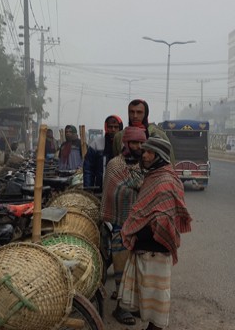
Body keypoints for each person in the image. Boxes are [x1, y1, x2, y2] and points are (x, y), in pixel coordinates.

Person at [117, 137, 192, 330]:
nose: (145, 155)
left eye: (150, 152)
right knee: (147, 296)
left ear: (161, 155)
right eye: (145, 151)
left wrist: (141, 229)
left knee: (156, 298)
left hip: (156, 249)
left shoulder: (166, 180)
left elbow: (165, 218)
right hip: (144, 247)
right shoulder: (153, 176)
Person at [102, 126, 147, 325]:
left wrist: (138, 186)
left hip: (139, 224)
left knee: (138, 268)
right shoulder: (115, 164)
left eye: (141, 143)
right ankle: (120, 308)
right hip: (119, 223)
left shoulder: (144, 165)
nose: (139, 147)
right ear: (126, 144)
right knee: (121, 267)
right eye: (135, 143)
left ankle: (132, 305)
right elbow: (114, 192)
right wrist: (137, 186)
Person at [112, 99, 174, 163]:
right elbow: (115, 162)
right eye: (132, 112)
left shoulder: (159, 135)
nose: (135, 116)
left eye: (139, 112)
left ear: (146, 114)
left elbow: (170, 162)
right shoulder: (119, 136)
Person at [83, 115, 123, 193]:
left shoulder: (125, 144)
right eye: (110, 127)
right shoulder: (96, 143)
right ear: (106, 127)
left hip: (121, 189)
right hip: (101, 188)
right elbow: (88, 169)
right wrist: (88, 188)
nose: (113, 129)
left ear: (120, 128)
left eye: (116, 127)